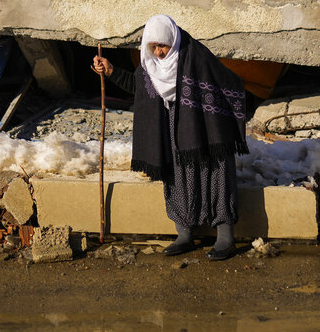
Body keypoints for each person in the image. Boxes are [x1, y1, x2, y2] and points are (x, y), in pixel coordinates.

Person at [92, 14, 249, 260]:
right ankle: (185, 234)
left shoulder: (194, 55)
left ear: (172, 41)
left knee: (215, 172)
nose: (159, 52)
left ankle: (225, 237)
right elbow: (139, 87)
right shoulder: (150, 64)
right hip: (170, 127)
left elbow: (225, 81)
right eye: (153, 47)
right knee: (176, 175)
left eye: (162, 45)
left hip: (204, 126)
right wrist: (110, 70)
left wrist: (224, 117)